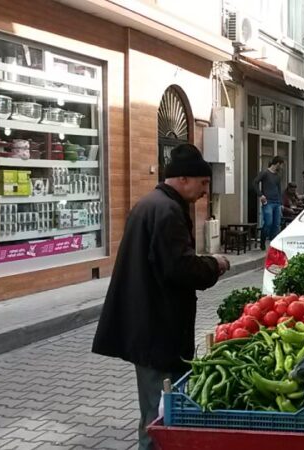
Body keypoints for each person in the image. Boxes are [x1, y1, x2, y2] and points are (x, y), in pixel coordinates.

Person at [91, 144, 230, 450]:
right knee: (160, 411)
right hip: (157, 326)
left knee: (160, 405)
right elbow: (179, 268)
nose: (206, 191)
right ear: (182, 179)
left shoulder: (150, 204)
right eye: (203, 183)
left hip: (150, 321)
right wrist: (214, 265)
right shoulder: (166, 210)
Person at [253, 156, 285, 249]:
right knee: (268, 223)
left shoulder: (278, 176)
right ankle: (262, 242)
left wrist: (281, 203)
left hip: (277, 202)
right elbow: (255, 182)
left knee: (276, 224)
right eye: (281, 165)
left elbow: (279, 189)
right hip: (268, 202)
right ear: (278, 164)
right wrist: (260, 195)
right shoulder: (265, 173)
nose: (282, 168)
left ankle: (273, 244)